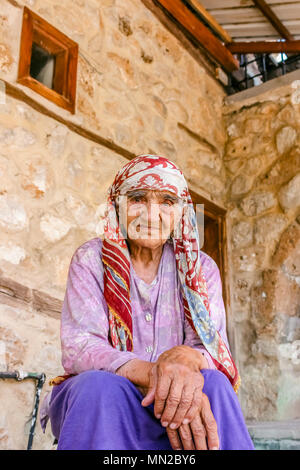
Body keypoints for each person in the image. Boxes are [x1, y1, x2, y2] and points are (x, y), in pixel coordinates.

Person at [40, 154, 254, 450]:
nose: (152, 214)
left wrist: (182, 366)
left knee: (214, 385)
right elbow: (81, 346)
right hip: (111, 400)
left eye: (167, 201)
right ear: (117, 203)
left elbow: (212, 349)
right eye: (138, 198)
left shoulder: (202, 268)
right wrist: (156, 374)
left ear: (182, 212)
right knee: (97, 388)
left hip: (178, 404)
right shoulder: (90, 259)